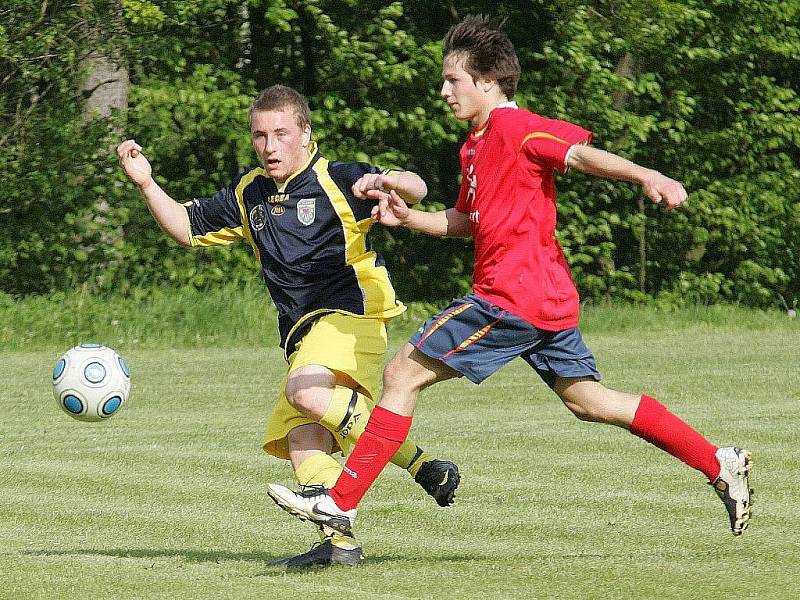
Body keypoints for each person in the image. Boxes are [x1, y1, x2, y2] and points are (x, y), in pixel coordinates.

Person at [266, 16, 753, 544]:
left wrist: (647, 175)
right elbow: (467, 221)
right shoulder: (475, 145)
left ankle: (341, 504)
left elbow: (577, 154)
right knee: (588, 400)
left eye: (453, 79)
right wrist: (410, 219)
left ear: (489, 82)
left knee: (402, 373)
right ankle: (718, 461)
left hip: (510, 296)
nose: (444, 90)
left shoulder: (514, 127)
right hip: (544, 297)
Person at [116, 84, 461, 569]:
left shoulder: (340, 178)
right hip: (301, 333)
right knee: (303, 439)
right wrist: (146, 183)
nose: (270, 145)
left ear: (305, 133)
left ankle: (423, 467)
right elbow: (186, 228)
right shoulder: (249, 191)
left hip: (351, 314)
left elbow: (419, 187)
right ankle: (339, 544)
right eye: (260, 135)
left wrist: (391, 182)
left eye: (281, 133)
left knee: (306, 393)